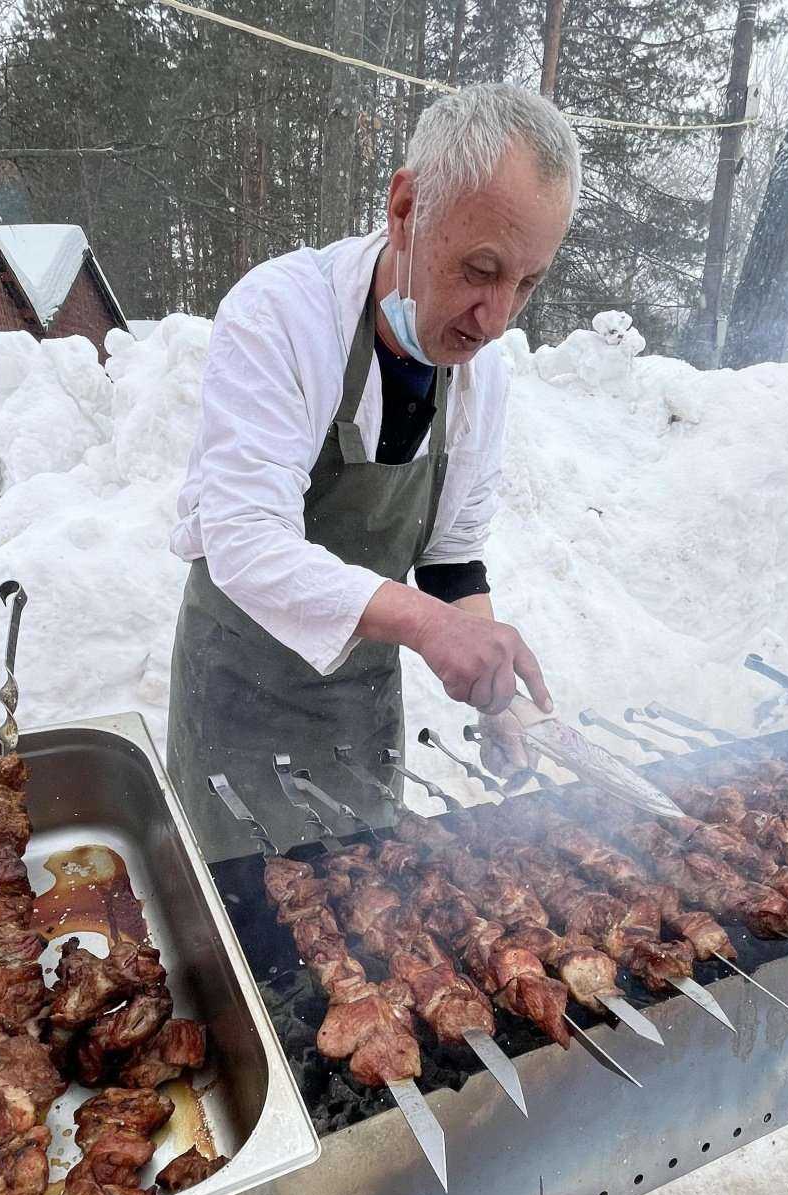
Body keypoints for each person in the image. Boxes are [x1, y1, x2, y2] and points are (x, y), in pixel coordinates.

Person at [167, 84, 581, 859]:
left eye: (526, 284)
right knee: (246, 918)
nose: (496, 318)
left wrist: (494, 688)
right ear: (405, 209)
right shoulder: (282, 316)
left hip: (361, 706)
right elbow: (245, 539)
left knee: (364, 910)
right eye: (481, 268)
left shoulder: (481, 374)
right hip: (240, 697)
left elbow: (452, 556)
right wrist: (427, 626)